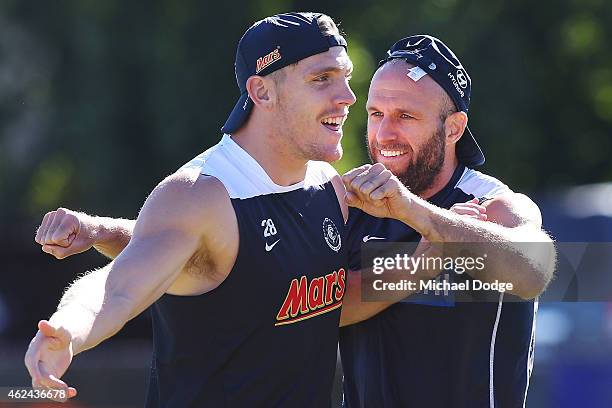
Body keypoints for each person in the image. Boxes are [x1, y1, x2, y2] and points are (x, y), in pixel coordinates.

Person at [26, 12, 356, 407]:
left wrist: (436, 252)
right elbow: (118, 286)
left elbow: (344, 300)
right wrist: (67, 330)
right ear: (262, 92)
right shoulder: (199, 194)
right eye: (322, 79)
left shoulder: (328, 185)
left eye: (345, 77)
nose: (348, 96)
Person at [338, 35, 556, 407]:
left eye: (405, 116)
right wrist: (418, 267)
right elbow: (324, 309)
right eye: (376, 114)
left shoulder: (491, 204)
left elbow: (534, 270)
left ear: (454, 128)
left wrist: (417, 214)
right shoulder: (351, 203)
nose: (384, 133)